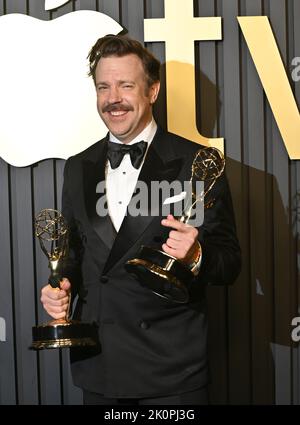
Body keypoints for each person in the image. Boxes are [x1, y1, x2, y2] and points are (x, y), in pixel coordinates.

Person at [40, 34, 241, 405]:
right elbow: (72, 252)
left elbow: (229, 263)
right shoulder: (78, 167)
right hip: (99, 366)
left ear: (153, 91)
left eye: (125, 85)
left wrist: (197, 253)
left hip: (171, 372)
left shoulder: (195, 163)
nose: (112, 98)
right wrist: (59, 286)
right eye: (104, 86)